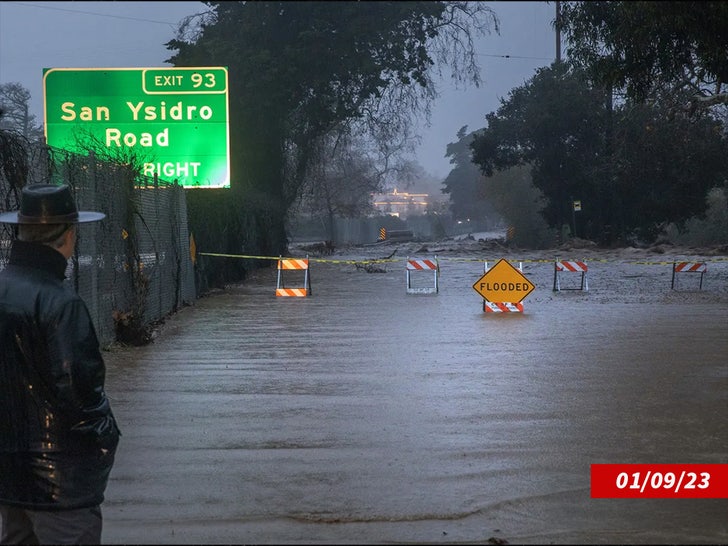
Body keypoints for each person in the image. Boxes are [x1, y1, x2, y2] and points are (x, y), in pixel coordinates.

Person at [0, 184, 121, 545]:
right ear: (68, 236)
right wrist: (105, 439)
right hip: (61, 483)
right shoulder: (61, 303)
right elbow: (81, 393)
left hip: (9, 475)